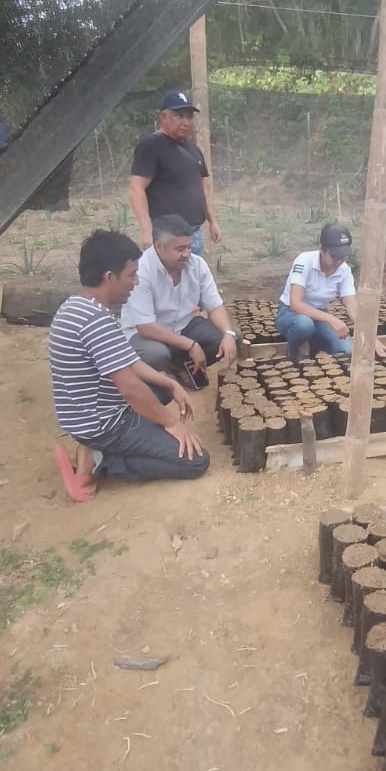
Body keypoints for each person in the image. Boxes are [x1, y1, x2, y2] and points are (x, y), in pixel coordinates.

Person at [49, 229, 209, 500]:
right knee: (196, 461)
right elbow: (130, 388)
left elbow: (130, 361)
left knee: (162, 388)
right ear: (109, 277)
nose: (136, 282)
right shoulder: (95, 321)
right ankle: (102, 459)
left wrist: (171, 384)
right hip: (104, 423)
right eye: (131, 275)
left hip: (85, 413)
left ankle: (94, 447)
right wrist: (172, 424)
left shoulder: (77, 306)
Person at [119, 212, 238, 386]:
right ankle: (151, 376)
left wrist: (228, 334)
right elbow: (146, 327)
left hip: (183, 325)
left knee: (232, 337)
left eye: (189, 247)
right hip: (145, 334)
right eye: (180, 249)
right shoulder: (142, 271)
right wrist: (191, 345)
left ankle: (179, 365)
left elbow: (215, 306)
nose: (187, 254)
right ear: (159, 246)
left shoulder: (197, 265)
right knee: (157, 355)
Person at [275, 223, 386, 364]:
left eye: (343, 257)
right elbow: (295, 304)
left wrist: (370, 337)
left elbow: (353, 308)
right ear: (322, 249)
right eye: (334, 256)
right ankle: (293, 352)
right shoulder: (304, 261)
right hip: (290, 314)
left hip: (318, 316)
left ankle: (315, 345)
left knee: (347, 350)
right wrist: (331, 319)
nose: (339, 261)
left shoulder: (344, 271)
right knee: (304, 325)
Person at [128, 89, 221, 256]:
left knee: (192, 273)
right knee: (167, 274)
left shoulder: (193, 149)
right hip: (167, 236)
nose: (186, 122)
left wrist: (212, 221)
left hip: (194, 233)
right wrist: (146, 230)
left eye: (189, 117)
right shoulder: (151, 146)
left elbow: (202, 189)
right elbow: (136, 188)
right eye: (179, 116)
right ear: (163, 117)